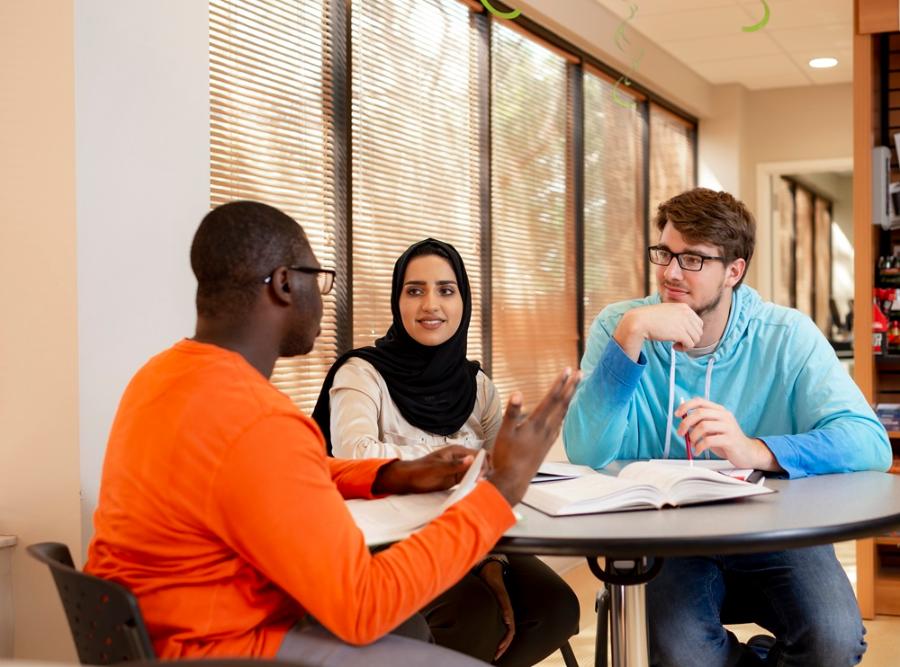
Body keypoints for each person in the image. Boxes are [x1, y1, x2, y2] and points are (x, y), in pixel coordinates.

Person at [85, 201, 581, 667]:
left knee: (423, 628)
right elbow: (363, 606)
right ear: (283, 284)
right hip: (218, 651)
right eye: (318, 278)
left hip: (161, 634)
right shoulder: (261, 418)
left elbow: (275, 471)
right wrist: (501, 490)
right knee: (415, 631)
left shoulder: (161, 376)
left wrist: (393, 473)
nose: (324, 299)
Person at [563, 187, 892, 667]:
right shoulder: (621, 326)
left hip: (775, 530)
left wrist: (754, 449)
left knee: (834, 640)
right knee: (684, 654)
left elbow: (869, 442)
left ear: (734, 271)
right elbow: (586, 449)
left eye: (693, 259)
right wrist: (630, 335)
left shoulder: (786, 335)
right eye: (666, 254)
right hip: (668, 540)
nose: (671, 273)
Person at [312, 238, 580, 666]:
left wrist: (488, 560)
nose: (429, 305)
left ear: (464, 301)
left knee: (555, 608)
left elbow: (496, 479)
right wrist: (455, 457)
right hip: (384, 541)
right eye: (414, 290)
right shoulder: (360, 372)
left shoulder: (478, 388)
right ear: (397, 300)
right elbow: (356, 455)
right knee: (471, 614)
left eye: (446, 290)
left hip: (471, 530)